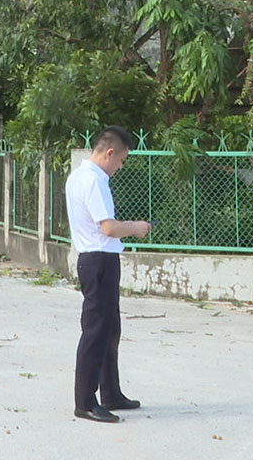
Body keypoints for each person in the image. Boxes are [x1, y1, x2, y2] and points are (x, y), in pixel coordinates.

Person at [65, 125, 151, 424]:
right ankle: (86, 401)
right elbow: (108, 228)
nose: (120, 167)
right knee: (96, 331)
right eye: (121, 160)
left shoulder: (79, 176)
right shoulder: (93, 180)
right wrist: (135, 227)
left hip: (100, 259)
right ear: (109, 152)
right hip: (99, 260)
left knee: (110, 329)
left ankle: (111, 392)